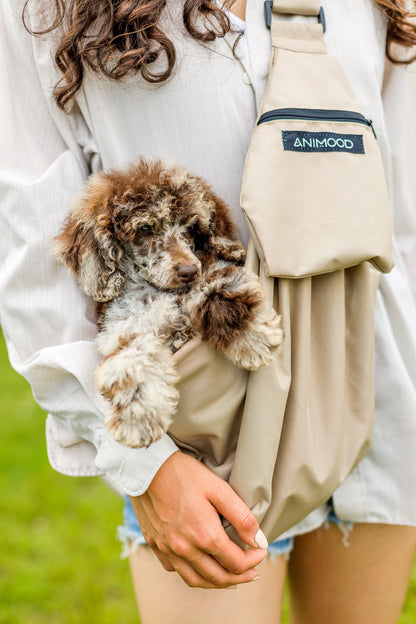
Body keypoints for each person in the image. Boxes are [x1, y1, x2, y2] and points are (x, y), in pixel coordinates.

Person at [1, 0, 416, 622]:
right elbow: (35, 251)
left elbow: (402, 203)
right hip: (204, 443)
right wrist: (148, 468)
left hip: (374, 393)